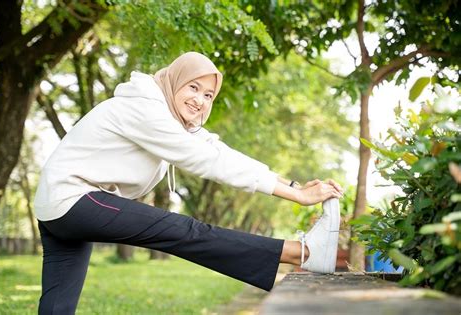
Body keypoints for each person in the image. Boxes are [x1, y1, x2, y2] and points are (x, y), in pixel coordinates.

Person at [34, 51, 344, 314]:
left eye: (208, 95)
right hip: (73, 199)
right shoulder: (145, 110)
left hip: (57, 205)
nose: (200, 100)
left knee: (57, 307)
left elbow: (220, 152)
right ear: (175, 81)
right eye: (193, 87)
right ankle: (301, 253)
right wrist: (296, 197)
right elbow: (207, 161)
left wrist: (294, 185)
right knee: (184, 231)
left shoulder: (168, 115)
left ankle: (302, 252)